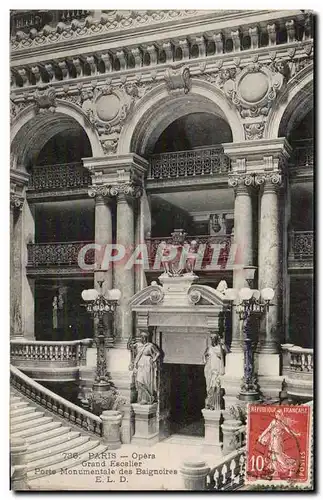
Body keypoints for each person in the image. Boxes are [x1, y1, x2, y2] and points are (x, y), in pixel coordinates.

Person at [257, 409, 300, 478]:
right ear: (276, 415)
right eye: (277, 414)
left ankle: (291, 467)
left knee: (279, 457)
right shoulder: (274, 422)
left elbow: (288, 430)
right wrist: (261, 437)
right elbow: (267, 429)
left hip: (278, 442)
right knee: (273, 456)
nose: (278, 416)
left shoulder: (282, 423)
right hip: (272, 442)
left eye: (280, 414)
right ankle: (275, 471)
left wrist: (295, 434)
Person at [132, 332, 161, 405]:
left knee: (146, 382)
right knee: (139, 382)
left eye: (145, 337)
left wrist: (153, 360)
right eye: (142, 337)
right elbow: (131, 348)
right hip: (140, 365)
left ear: (147, 338)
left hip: (147, 365)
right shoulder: (139, 346)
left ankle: (146, 399)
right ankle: (147, 397)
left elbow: (158, 353)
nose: (143, 338)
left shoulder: (150, 345)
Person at [203, 334, 225, 410]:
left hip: (217, 371)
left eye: (214, 338)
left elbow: (223, 358)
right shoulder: (209, 348)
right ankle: (209, 404)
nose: (213, 340)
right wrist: (206, 358)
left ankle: (215, 405)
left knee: (217, 388)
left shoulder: (220, 348)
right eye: (211, 338)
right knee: (209, 387)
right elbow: (204, 358)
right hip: (210, 371)